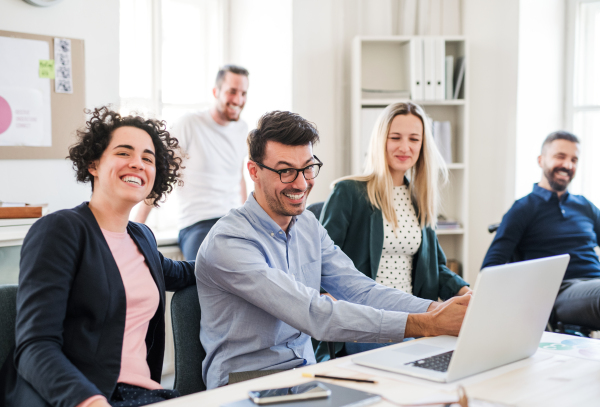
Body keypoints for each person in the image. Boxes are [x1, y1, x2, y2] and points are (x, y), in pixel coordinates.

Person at [196, 110, 472, 389]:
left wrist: (438, 309)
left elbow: (360, 289)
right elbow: (312, 313)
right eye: (285, 171)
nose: (302, 183)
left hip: (306, 374)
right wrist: (427, 324)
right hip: (246, 383)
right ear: (254, 171)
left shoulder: (307, 225)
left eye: (307, 168)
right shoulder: (229, 241)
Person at [0, 107, 196, 407]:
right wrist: (88, 401)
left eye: (148, 158)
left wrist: (239, 255)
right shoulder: (60, 230)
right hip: (81, 396)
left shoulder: (142, 238)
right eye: (123, 152)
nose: (137, 164)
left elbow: (185, 272)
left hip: (145, 394)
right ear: (93, 163)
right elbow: (35, 346)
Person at [315, 102, 470, 360]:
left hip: (417, 317)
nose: (405, 147)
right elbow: (319, 261)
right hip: (369, 321)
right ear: (380, 140)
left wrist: (467, 293)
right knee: (421, 354)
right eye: (395, 138)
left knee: (467, 347)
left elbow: (437, 267)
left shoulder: (419, 198)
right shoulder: (349, 192)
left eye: (414, 139)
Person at [482, 130, 600, 330]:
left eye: (574, 159)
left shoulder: (585, 206)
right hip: (559, 292)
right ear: (541, 160)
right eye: (560, 157)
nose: (568, 165)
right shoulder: (523, 208)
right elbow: (490, 267)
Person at [135, 64, 250, 260]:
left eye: (243, 93)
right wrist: (136, 227)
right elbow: (162, 174)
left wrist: (249, 218)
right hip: (198, 223)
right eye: (232, 92)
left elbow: (239, 177)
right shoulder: (190, 124)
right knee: (205, 277)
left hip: (234, 221)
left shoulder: (242, 129)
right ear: (216, 92)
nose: (238, 100)